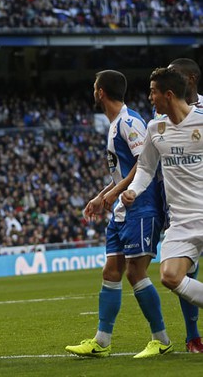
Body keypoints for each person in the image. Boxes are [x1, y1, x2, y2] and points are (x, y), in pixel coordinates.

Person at [65, 70, 172, 359]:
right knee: (111, 271)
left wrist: (114, 194)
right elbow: (122, 173)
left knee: (136, 272)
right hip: (122, 209)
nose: (93, 91)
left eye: (94, 86)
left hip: (142, 205)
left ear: (101, 92)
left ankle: (161, 338)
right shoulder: (114, 125)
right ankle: (102, 342)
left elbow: (144, 165)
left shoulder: (129, 121)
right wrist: (102, 196)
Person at [120, 67, 203, 351]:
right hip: (180, 221)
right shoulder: (156, 129)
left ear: (168, 95)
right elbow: (145, 167)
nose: (149, 97)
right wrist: (133, 190)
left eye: (153, 91)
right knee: (170, 276)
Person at [167, 57, 203, 352]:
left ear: (190, 80)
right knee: (184, 272)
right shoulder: (163, 119)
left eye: (173, 76)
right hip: (182, 209)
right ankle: (193, 336)